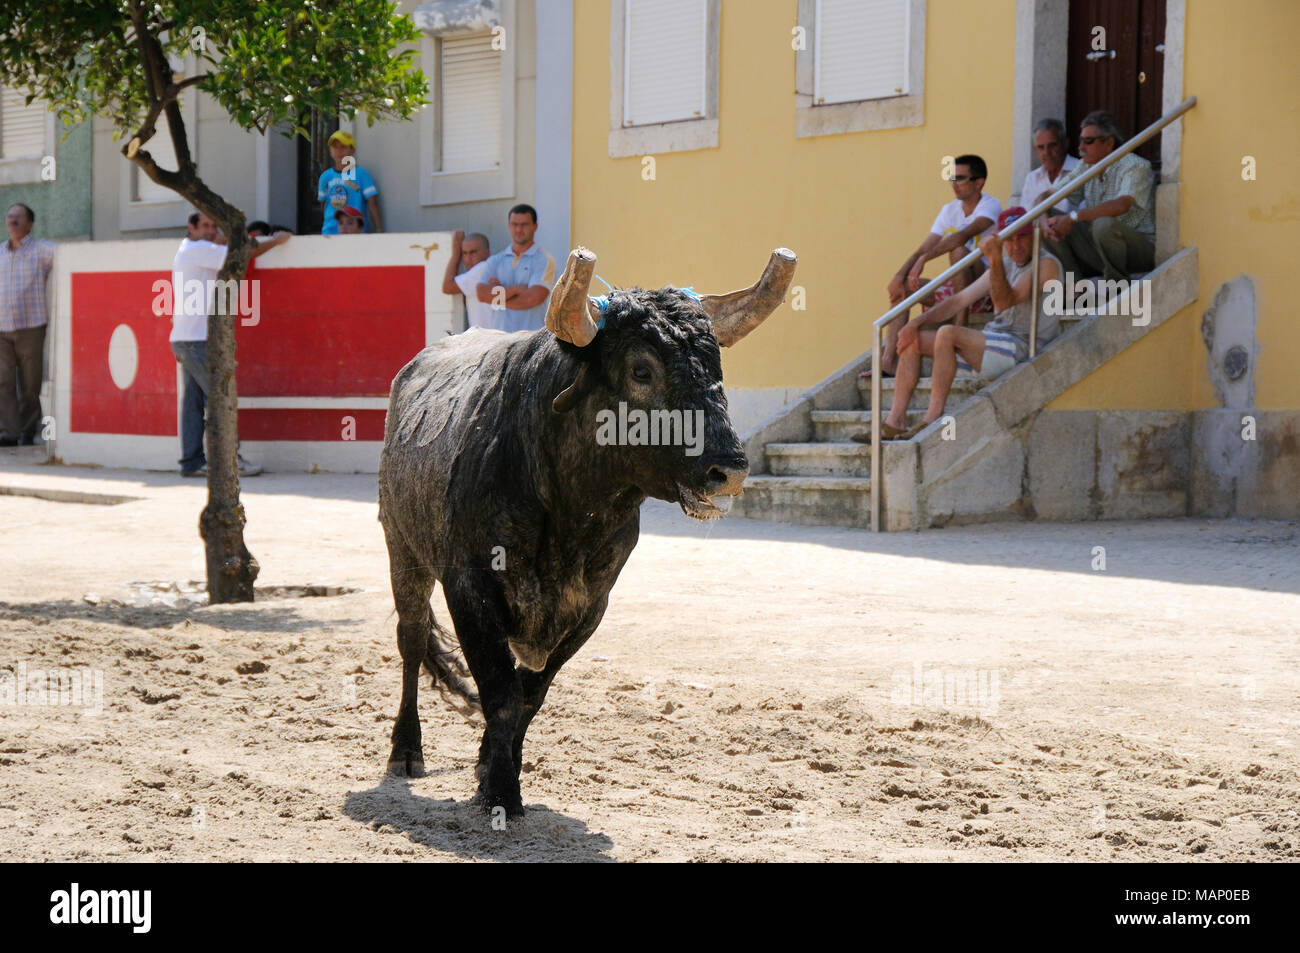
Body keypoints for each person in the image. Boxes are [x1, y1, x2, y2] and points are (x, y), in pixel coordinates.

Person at [853, 208, 1061, 443]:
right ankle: (894, 423)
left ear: (1034, 235)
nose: (1016, 245)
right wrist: (915, 323)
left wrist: (993, 259)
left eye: (1021, 237)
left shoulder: (1047, 264)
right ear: (1001, 240)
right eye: (1009, 239)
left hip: (1023, 346)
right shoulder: (1007, 263)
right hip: (994, 343)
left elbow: (1005, 301)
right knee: (913, 338)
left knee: (947, 333)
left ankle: (932, 419)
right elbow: (958, 300)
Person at [170, 212, 289, 477]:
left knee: (193, 404)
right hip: (199, 340)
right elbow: (243, 253)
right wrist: (277, 240)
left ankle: (192, 462)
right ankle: (230, 460)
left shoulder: (191, 247)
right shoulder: (200, 249)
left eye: (214, 225)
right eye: (205, 226)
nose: (211, 230)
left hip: (186, 338)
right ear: (191, 227)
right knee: (222, 397)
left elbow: (225, 244)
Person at [875, 155, 1002, 376]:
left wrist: (925, 259)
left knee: (960, 252)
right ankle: (887, 362)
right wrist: (899, 276)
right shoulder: (949, 209)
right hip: (957, 286)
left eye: (960, 178)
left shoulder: (990, 205)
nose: (954, 184)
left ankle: (960, 327)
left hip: (984, 287)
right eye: (952, 178)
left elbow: (962, 237)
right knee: (904, 288)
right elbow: (924, 246)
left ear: (979, 182)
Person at [1041, 110, 1155, 281]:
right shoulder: (1086, 167)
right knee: (1048, 219)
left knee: (1103, 225)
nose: (1080, 148)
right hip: (1101, 248)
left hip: (1138, 252)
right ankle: (1074, 286)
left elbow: (1121, 205)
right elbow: (1045, 197)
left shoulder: (1135, 166)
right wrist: (1043, 221)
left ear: (1109, 143)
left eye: (1088, 141)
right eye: (1081, 141)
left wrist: (1074, 217)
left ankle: (1116, 286)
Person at [0, 203, 56, 447]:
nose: (13, 220)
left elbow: (71, 256)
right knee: (3, 381)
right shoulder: (0, 252)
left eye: (19, 217)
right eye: (10, 216)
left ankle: (27, 428)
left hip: (30, 325)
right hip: (2, 327)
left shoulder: (41, 250)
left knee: (30, 383)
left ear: (30, 224)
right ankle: (9, 432)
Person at [475, 204, 555, 333]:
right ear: (509, 226)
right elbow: (482, 294)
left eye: (524, 224)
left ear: (535, 226)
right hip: (499, 340)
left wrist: (498, 296)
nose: (518, 229)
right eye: (514, 224)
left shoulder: (543, 260)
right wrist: (517, 289)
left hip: (530, 342)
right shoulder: (495, 260)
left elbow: (533, 298)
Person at [317, 130, 381, 235]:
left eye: (343, 147)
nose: (339, 151)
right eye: (335, 147)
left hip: (355, 233)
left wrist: (379, 229)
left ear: (352, 150)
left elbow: (372, 204)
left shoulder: (361, 175)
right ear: (330, 151)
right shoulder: (325, 177)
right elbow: (323, 205)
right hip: (330, 233)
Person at [1021, 118, 1080, 212]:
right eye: (1041, 147)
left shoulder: (1080, 170)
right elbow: (1025, 218)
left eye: (1052, 145)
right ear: (1035, 150)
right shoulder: (1032, 178)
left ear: (1065, 144)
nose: (1046, 152)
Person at [440, 230, 494, 330]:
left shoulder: (482, 268)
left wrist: (456, 254)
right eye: (464, 253)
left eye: (473, 252)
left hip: (488, 339)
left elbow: (447, 287)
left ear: (487, 253)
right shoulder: (490, 268)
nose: (468, 258)